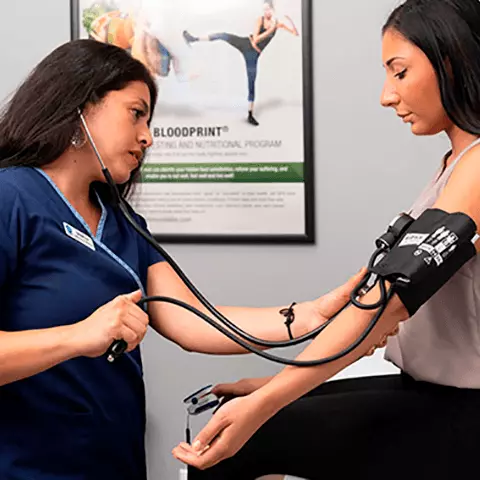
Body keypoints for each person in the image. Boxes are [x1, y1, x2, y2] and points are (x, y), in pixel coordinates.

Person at [0, 38, 364, 480]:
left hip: (113, 462)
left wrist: (308, 317)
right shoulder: (11, 197)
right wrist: (79, 337)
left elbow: (192, 321)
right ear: (81, 105)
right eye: (136, 113)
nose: (148, 137)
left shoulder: (121, 220)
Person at [173, 0, 480, 478]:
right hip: (422, 386)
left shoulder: (479, 167)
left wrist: (269, 402)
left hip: (463, 411)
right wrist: (277, 386)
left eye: (399, 73)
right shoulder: (454, 165)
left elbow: (388, 302)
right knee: (243, 413)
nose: (386, 95)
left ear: (450, 60)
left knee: (234, 450)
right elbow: (382, 317)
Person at [182, 1, 299, 126]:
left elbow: (295, 33)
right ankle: (193, 39)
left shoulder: (277, 23)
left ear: (273, 10)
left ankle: (250, 114)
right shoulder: (260, 20)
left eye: (268, 9)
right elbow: (256, 39)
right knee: (224, 36)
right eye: (264, 10)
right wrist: (271, 29)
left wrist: (290, 21)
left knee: (251, 82)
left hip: (253, 55)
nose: (266, 12)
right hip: (245, 43)